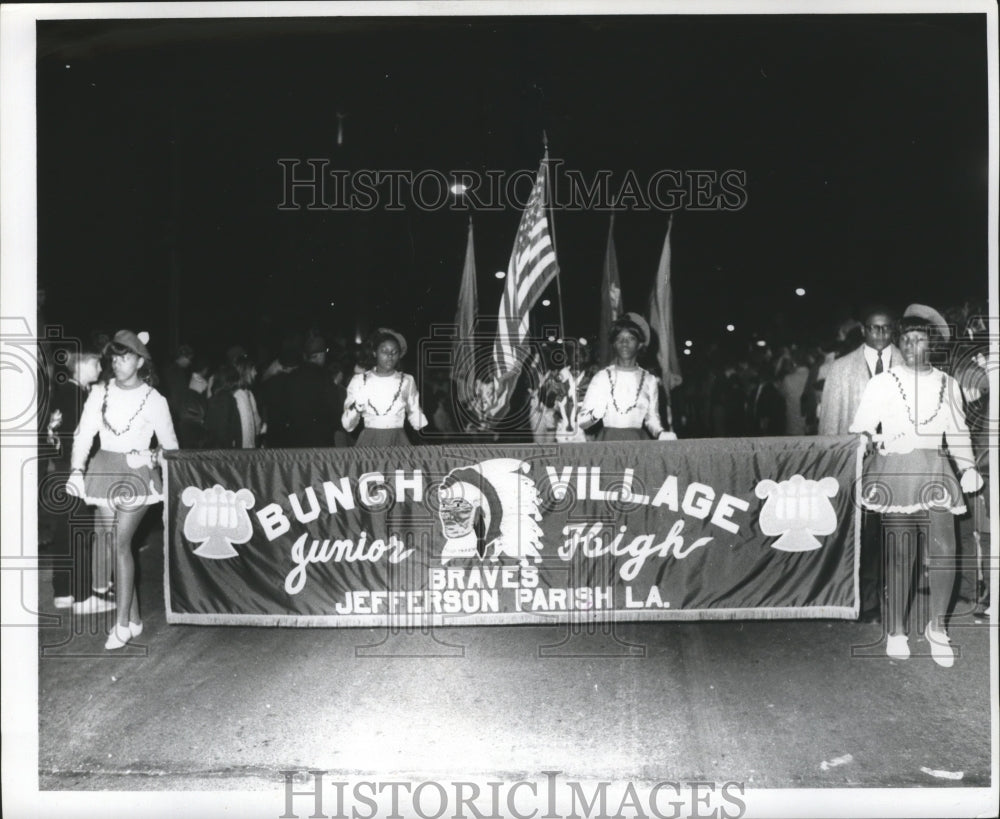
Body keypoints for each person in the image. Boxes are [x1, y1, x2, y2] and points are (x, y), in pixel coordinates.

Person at [850, 314, 983, 667]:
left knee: (945, 550)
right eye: (905, 339)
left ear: (932, 344)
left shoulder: (948, 383)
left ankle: (937, 628)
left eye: (918, 339)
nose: (910, 345)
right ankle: (895, 630)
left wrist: (967, 466)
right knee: (900, 554)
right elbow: (860, 428)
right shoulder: (882, 382)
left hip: (935, 470)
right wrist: (880, 439)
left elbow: (957, 432)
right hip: (896, 471)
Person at [66, 330, 178, 649]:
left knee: (119, 543)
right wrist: (76, 470)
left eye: (125, 357)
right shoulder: (99, 392)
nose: (117, 363)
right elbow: (83, 435)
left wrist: (152, 455)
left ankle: (122, 624)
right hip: (103, 470)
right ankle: (137, 619)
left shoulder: (155, 400)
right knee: (115, 542)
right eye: (114, 357)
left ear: (140, 361)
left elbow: (171, 447)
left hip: (136, 476)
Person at [819, 306, 901, 623]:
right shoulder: (840, 369)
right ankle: (866, 600)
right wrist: (831, 462)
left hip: (898, 460)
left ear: (893, 330)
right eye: (873, 328)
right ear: (863, 330)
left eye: (886, 328)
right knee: (863, 533)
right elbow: (829, 423)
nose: (880, 334)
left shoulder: (909, 366)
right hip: (858, 462)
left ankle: (892, 596)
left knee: (893, 531)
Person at [44, 350, 102, 609]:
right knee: (80, 531)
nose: (100, 368)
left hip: (57, 469)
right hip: (74, 471)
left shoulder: (61, 393)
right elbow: (87, 439)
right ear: (82, 365)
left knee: (63, 533)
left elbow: (52, 434)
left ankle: (64, 592)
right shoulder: (79, 396)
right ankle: (83, 597)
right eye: (96, 363)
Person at [578, 313, 674, 442]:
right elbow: (582, 422)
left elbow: (652, 419)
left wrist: (661, 433)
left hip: (638, 443)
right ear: (613, 344)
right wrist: (595, 414)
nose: (624, 343)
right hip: (607, 442)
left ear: (639, 344)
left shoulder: (650, 380)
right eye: (619, 338)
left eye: (631, 338)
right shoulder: (601, 378)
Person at [342, 328, 428, 447]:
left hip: (398, 441)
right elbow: (347, 425)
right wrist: (357, 405)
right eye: (384, 351)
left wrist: (426, 436)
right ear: (374, 353)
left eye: (394, 352)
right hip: (369, 441)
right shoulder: (359, 381)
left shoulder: (407, 380)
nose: (390, 356)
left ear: (399, 355)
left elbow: (415, 413)